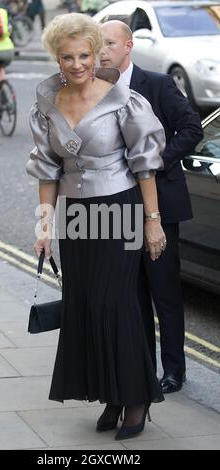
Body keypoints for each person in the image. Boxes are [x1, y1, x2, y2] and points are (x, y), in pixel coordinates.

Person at [27, 13, 166, 440]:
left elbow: (145, 167)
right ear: (57, 57)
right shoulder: (46, 101)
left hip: (119, 208)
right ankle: (111, 394)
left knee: (117, 304)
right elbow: (47, 169)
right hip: (74, 215)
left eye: (84, 54)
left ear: (96, 50)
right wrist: (45, 226)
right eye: (67, 57)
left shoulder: (123, 100)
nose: (76, 64)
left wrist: (153, 221)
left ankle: (137, 398)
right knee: (84, 305)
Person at [100, 20, 204, 393]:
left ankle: (174, 370)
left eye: (108, 43)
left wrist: (157, 160)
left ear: (128, 46)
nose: (101, 51)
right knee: (132, 293)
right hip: (118, 206)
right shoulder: (96, 88)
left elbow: (193, 128)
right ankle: (142, 365)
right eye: (98, 44)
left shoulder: (157, 84)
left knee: (164, 293)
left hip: (160, 203)